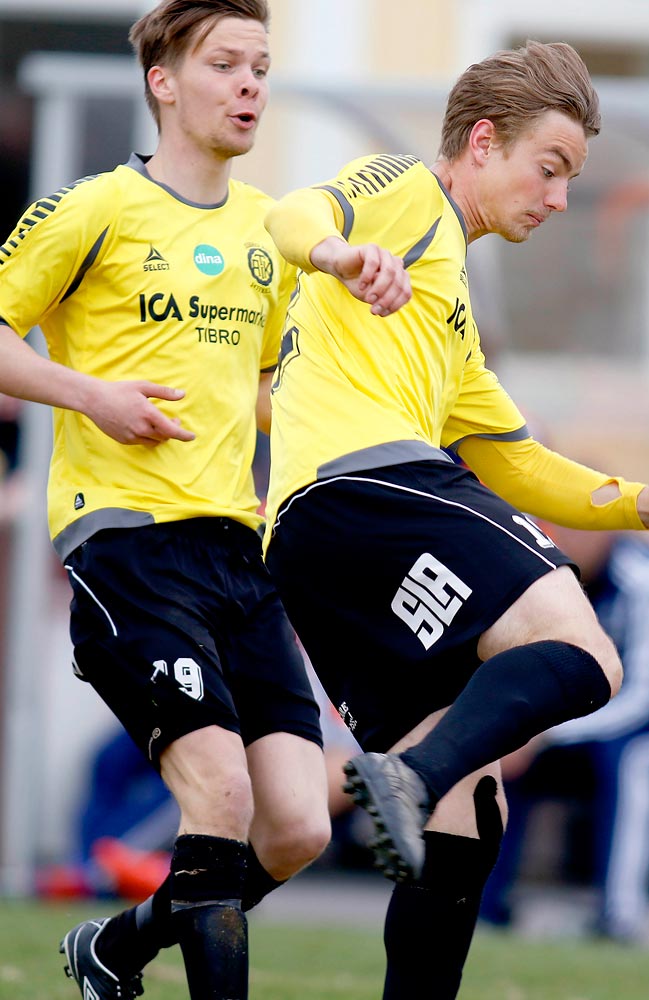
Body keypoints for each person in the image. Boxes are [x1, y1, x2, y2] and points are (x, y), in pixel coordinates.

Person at [259, 41, 649, 999]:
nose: (560, 198)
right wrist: (337, 251)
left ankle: (140, 934)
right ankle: (407, 777)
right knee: (585, 653)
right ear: (482, 142)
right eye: (551, 168)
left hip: (316, 543)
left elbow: (519, 462)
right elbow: (297, 211)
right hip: (366, 489)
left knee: (471, 800)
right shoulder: (412, 194)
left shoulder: (448, 321)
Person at [0, 3, 333, 998]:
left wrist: (354, 438)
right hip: (128, 544)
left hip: (239, 552)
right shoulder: (93, 208)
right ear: (163, 81)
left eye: (261, 67)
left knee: (299, 824)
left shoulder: (270, 233)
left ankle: (116, 948)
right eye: (225, 63)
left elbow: (268, 392)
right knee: (218, 792)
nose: (248, 86)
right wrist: (90, 394)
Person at [477, 524, 649, 942]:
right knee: (509, 750)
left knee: (633, 759)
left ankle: (619, 918)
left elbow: (645, 699)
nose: (564, 536)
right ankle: (480, 906)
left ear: (605, 527)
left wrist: (544, 733)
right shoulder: (551, 576)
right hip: (611, 723)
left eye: (574, 525)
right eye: (551, 525)